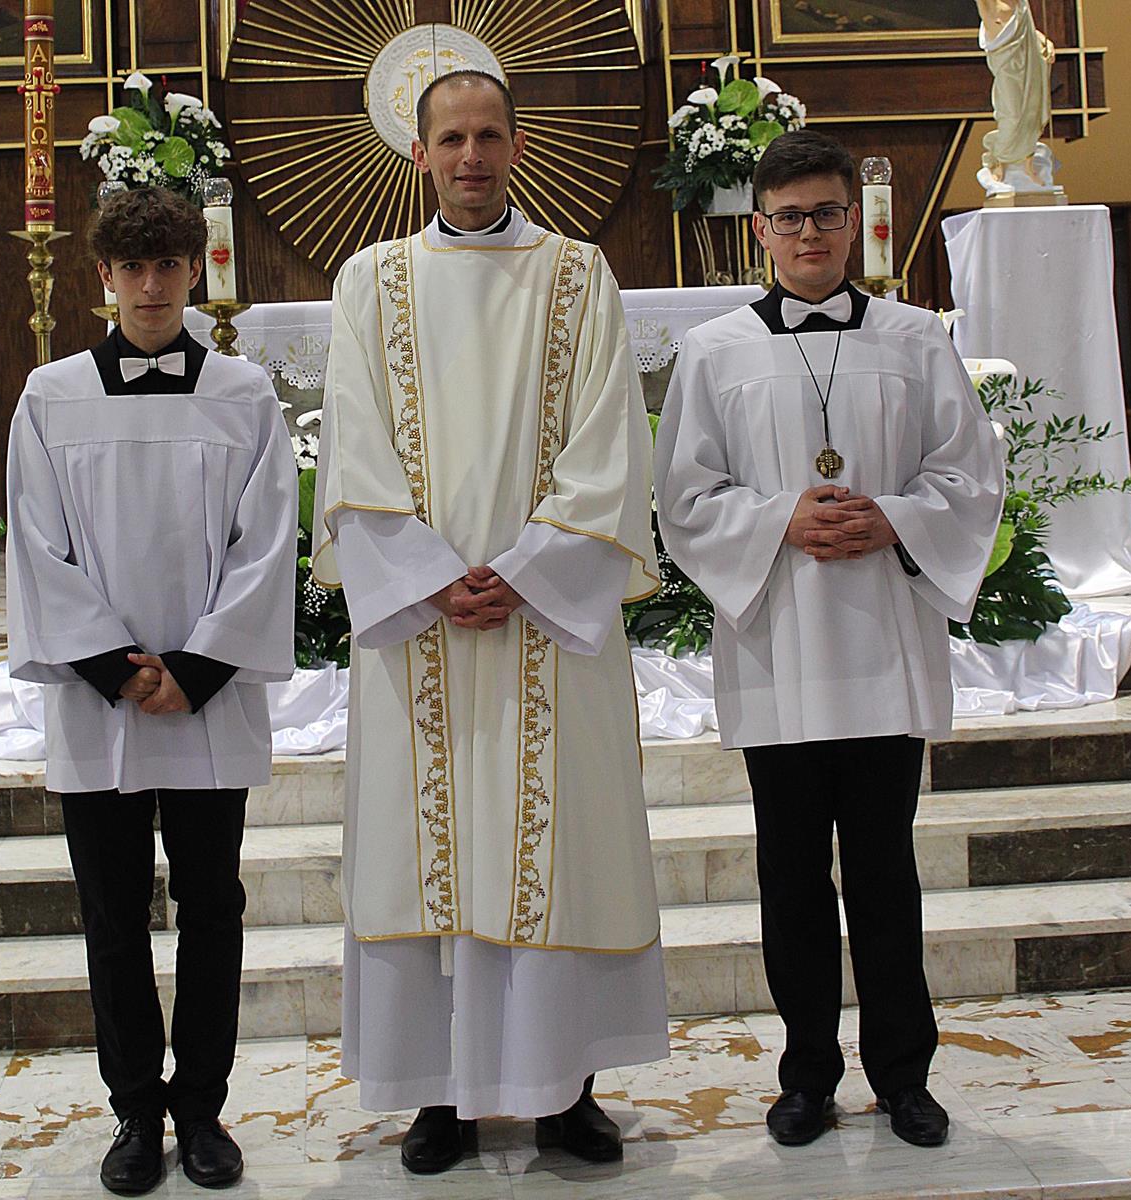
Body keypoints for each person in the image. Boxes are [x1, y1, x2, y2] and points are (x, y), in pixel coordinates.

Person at [311, 69, 668, 1173]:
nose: (471, 156)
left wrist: (525, 571)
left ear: (516, 145)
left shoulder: (578, 273)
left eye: (489, 136)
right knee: (429, 849)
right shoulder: (370, 280)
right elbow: (353, 442)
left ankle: (564, 1090)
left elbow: (610, 444)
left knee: (561, 843)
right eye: (451, 138)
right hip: (422, 625)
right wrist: (426, 576)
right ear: (417, 153)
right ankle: (440, 1095)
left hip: (544, 622)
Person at [654, 130, 1004, 1149]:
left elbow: (968, 476)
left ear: (855, 222)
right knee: (791, 878)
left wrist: (892, 517)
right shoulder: (715, 351)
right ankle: (806, 1073)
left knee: (886, 872)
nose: (809, 233)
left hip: (883, 642)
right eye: (790, 217)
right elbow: (684, 497)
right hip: (779, 648)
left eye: (827, 214)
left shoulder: (916, 338)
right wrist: (781, 520)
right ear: (759, 230)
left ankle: (904, 1076)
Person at [5, 186, 297, 1193]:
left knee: (212, 908)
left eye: (169, 265)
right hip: (101, 701)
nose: (151, 286)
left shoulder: (244, 394)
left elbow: (268, 538)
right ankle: (135, 1111)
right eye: (132, 268)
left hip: (208, 698)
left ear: (194, 271)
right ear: (103, 277)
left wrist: (201, 668)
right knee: (113, 914)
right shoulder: (50, 396)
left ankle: (202, 1110)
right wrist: (112, 667)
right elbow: (36, 542)